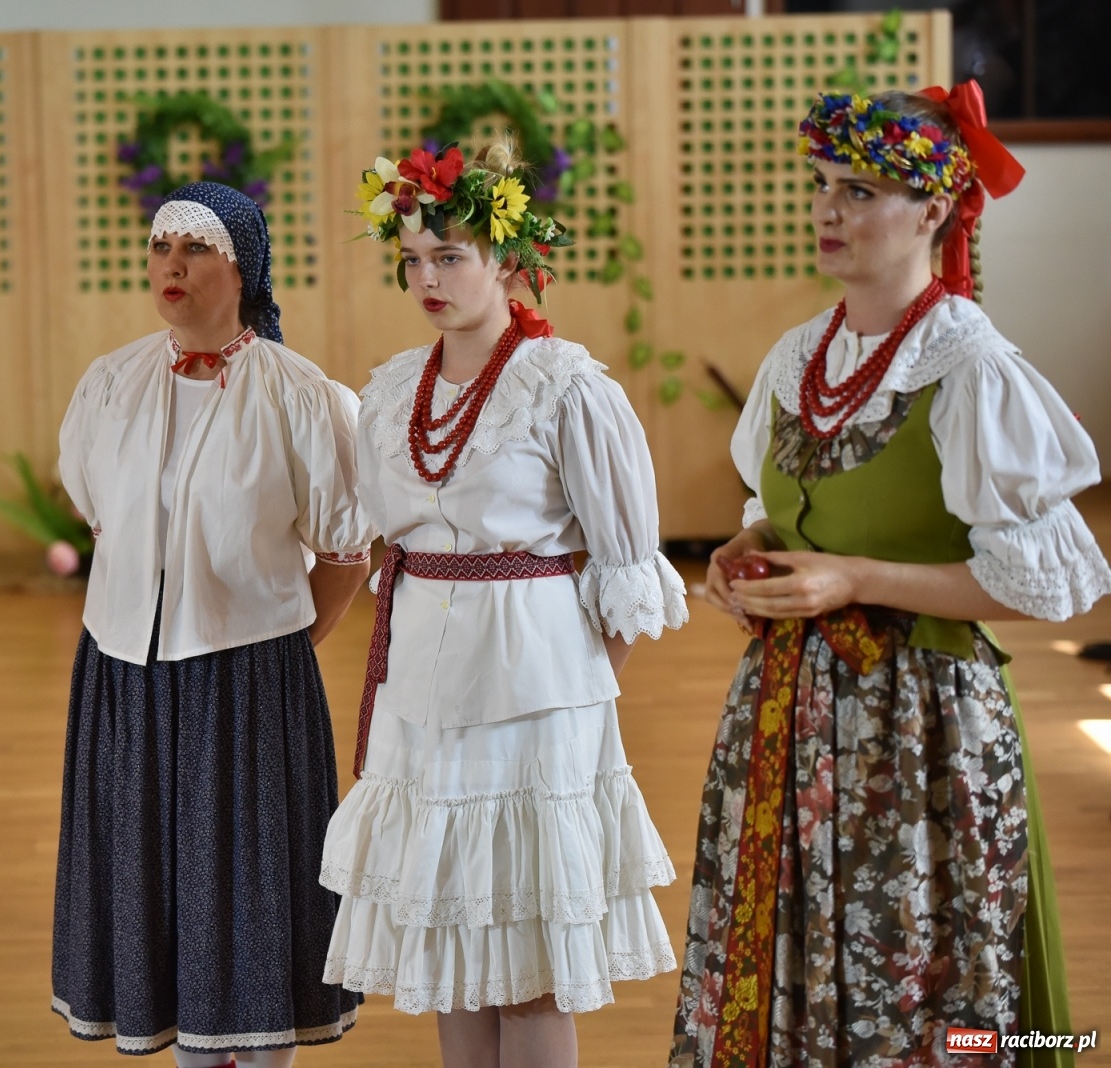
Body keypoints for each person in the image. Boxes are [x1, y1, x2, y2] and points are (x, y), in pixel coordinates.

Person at [670, 84, 1109, 1067]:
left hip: (921, 724)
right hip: (788, 714)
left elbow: (1037, 588)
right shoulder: (797, 358)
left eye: (859, 189)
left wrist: (851, 578)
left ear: (936, 210)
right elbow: (774, 501)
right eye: (821, 185)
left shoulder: (970, 369)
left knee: (915, 974)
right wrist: (749, 550)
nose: (827, 209)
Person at [320, 140, 687, 1068]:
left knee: (526, 966)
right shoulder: (394, 388)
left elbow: (625, 568)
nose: (427, 278)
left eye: (450, 256)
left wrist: (573, 701)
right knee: (453, 949)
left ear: (507, 262)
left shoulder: (567, 388)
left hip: (535, 695)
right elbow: (378, 534)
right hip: (421, 691)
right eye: (412, 259)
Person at [51, 181, 373, 1066]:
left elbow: (346, 552)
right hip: (124, 672)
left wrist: (286, 646)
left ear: (244, 270)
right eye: (161, 248)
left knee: (252, 882)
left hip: (248, 679)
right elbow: (99, 515)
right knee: (154, 874)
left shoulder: (302, 395)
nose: (172, 267)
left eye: (195, 250)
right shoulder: (109, 383)